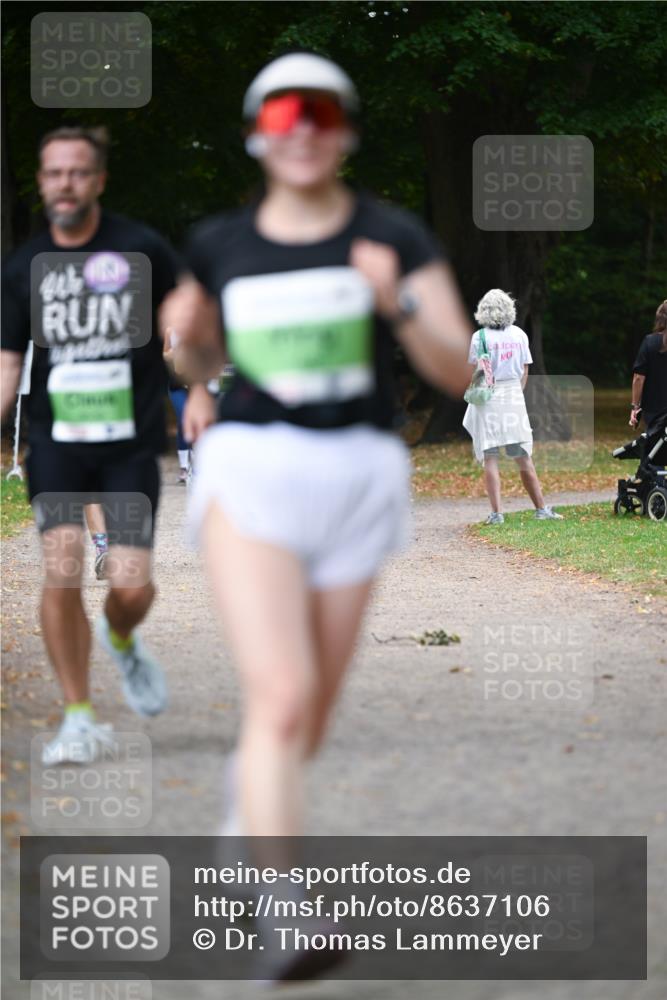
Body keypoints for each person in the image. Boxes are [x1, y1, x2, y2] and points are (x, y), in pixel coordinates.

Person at [160, 51, 472, 981]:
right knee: (283, 696)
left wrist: (398, 297)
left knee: (311, 716)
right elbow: (193, 363)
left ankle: (239, 825)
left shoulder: (391, 236)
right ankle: (286, 916)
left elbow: (456, 368)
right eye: (284, 113)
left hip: (358, 474)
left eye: (322, 114)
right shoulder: (218, 242)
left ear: (344, 130)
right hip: (253, 470)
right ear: (259, 131)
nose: (303, 130)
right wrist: (188, 342)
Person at [1, 126, 180, 764]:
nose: (65, 184)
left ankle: (121, 638)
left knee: (132, 586)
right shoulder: (23, 269)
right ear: (42, 182)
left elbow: (180, 319)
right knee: (63, 562)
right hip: (57, 444)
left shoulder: (140, 248)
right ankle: (77, 716)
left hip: (129, 444)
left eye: (77, 172)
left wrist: (200, 378)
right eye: (53, 173)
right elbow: (6, 363)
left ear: (98, 180)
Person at [463, 288, 564, 524]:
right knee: (522, 455)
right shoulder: (519, 335)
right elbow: (526, 369)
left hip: (488, 398)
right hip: (513, 397)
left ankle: (497, 513)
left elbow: (475, 369)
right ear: (509, 308)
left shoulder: (480, 337)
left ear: (484, 311)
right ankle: (540, 508)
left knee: (490, 456)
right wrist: (516, 393)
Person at [629, 299, 667, 433]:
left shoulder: (649, 342)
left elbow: (639, 378)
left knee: (655, 448)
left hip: (653, 410)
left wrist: (635, 407)